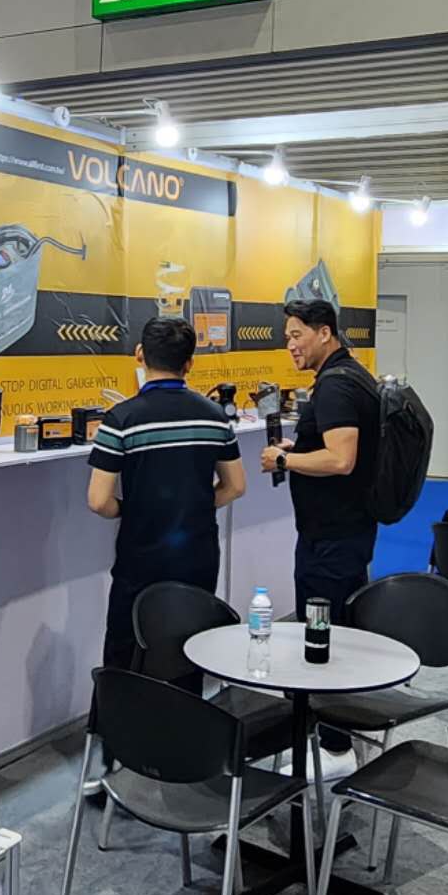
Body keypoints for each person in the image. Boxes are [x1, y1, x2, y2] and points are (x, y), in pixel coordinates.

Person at [86, 316, 247, 676]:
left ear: (140, 355)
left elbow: (98, 500)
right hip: (198, 556)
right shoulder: (215, 417)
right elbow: (235, 485)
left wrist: (129, 510)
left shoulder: (121, 419)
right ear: (189, 363)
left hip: (140, 557)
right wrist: (194, 506)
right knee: (190, 651)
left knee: (127, 657)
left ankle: (123, 713)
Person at [259, 298, 379, 767]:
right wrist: (303, 446)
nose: (290, 345)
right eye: (287, 336)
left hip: (332, 536)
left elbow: (341, 460)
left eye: (297, 335)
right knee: (335, 626)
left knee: (324, 633)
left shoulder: (335, 386)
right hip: (341, 530)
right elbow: (334, 448)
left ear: (324, 332)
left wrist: (284, 458)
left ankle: (334, 745)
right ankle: (334, 731)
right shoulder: (350, 375)